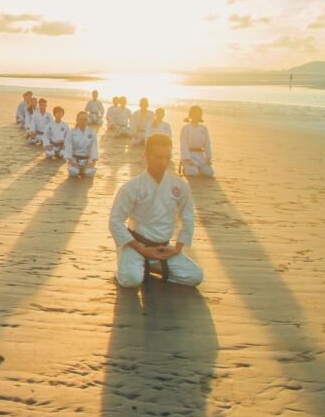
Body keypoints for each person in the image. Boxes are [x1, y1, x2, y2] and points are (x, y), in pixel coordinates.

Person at [108, 133, 203, 288]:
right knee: (131, 280)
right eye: (158, 158)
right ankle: (125, 268)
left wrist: (177, 248)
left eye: (167, 157)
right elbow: (115, 222)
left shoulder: (179, 186)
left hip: (163, 248)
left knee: (195, 276)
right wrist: (142, 250)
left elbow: (188, 218)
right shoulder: (131, 188)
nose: (164, 162)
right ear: (146, 155)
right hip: (135, 245)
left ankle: (151, 266)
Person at [180, 105, 214, 176]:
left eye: (199, 114)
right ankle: (185, 168)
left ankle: (199, 168)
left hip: (200, 156)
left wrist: (208, 158)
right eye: (195, 114)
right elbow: (183, 144)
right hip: (189, 156)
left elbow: (207, 144)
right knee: (193, 172)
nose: (197, 116)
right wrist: (188, 159)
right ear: (190, 115)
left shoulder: (203, 128)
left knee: (209, 173)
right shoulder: (185, 128)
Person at [64, 111, 99, 177]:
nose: (83, 121)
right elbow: (68, 146)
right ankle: (78, 170)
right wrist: (70, 161)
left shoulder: (92, 132)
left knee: (90, 174)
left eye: (85, 119)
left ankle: (83, 170)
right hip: (75, 158)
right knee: (73, 173)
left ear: (88, 120)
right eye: (81, 119)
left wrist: (93, 162)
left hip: (87, 159)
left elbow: (94, 147)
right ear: (77, 120)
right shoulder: (72, 132)